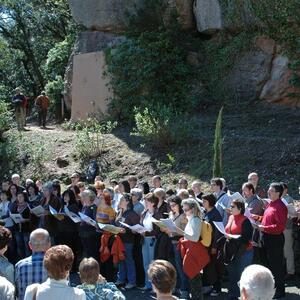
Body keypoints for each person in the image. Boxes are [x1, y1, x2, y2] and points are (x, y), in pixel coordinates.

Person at [256, 183, 288, 299]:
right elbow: (268, 220)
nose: (268, 193)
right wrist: (257, 218)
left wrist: (264, 228)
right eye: (268, 191)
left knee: (276, 266)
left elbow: (280, 227)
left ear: (278, 193)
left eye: (271, 191)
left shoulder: (280, 206)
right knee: (267, 264)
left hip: (274, 239)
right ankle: (272, 288)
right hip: (265, 237)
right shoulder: (270, 204)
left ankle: (280, 291)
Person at [177, 198, 210, 300]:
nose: (184, 211)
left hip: (194, 252)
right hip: (191, 251)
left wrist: (181, 232)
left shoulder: (195, 220)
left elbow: (195, 238)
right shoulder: (192, 219)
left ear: (192, 209)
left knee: (195, 280)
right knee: (194, 280)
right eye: (183, 209)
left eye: (186, 210)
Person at [225, 199, 253, 300]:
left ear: (240, 209)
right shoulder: (231, 217)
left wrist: (232, 237)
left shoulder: (245, 220)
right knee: (233, 273)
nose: (230, 208)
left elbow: (247, 237)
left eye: (233, 206)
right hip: (233, 250)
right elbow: (228, 230)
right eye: (231, 206)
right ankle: (234, 294)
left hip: (244, 251)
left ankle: (245, 296)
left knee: (242, 274)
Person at [15, 228, 50, 300]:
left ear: (30, 245)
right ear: (49, 244)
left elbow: (17, 291)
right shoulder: (57, 264)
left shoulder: (20, 265)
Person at [115, 193, 140, 289]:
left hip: (128, 240)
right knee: (121, 260)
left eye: (122, 200)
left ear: (127, 202)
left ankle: (131, 281)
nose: (120, 202)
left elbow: (136, 229)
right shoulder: (119, 211)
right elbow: (117, 223)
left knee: (128, 260)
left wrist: (128, 230)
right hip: (119, 240)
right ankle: (121, 279)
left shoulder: (132, 214)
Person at [166, 195, 189, 298]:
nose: (172, 207)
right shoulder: (171, 214)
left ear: (179, 204)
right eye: (170, 205)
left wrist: (175, 231)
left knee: (180, 268)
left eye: (174, 205)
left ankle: (185, 290)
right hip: (170, 242)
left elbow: (186, 232)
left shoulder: (184, 216)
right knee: (173, 267)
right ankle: (177, 287)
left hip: (180, 243)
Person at [202, 193, 223, 297]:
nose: (203, 203)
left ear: (210, 202)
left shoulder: (216, 214)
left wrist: (215, 246)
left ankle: (217, 288)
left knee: (213, 267)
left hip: (212, 245)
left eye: (204, 201)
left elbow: (218, 232)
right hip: (206, 244)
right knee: (206, 266)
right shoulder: (206, 212)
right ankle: (208, 287)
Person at [138, 193, 160, 290]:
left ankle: (155, 286)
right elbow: (141, 225)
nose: (145, 203)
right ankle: (147, 284)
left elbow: (158, 230)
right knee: (145, 263)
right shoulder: (144, 213)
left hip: (153, 240)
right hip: (144, 240)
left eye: (147, 201)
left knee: (153, 263)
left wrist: (146, 233)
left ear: (153, 203)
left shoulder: (157, 214)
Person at [242, 182, 264, 264]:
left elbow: (251, 216)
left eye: (245, 190)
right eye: (243, 190)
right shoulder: (246, 200)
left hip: (255, 232)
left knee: (254, 254)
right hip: (248, 230)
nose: (243, 192)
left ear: (251, 190)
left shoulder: (256, 202)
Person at [281, 183, 295, 279]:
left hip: (287, 227)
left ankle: (290, 271)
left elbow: (292, 213)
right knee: (282, 250)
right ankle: (284, 270)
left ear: (286, 190)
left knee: (288, 250)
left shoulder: (288, 199)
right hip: (280, 227)